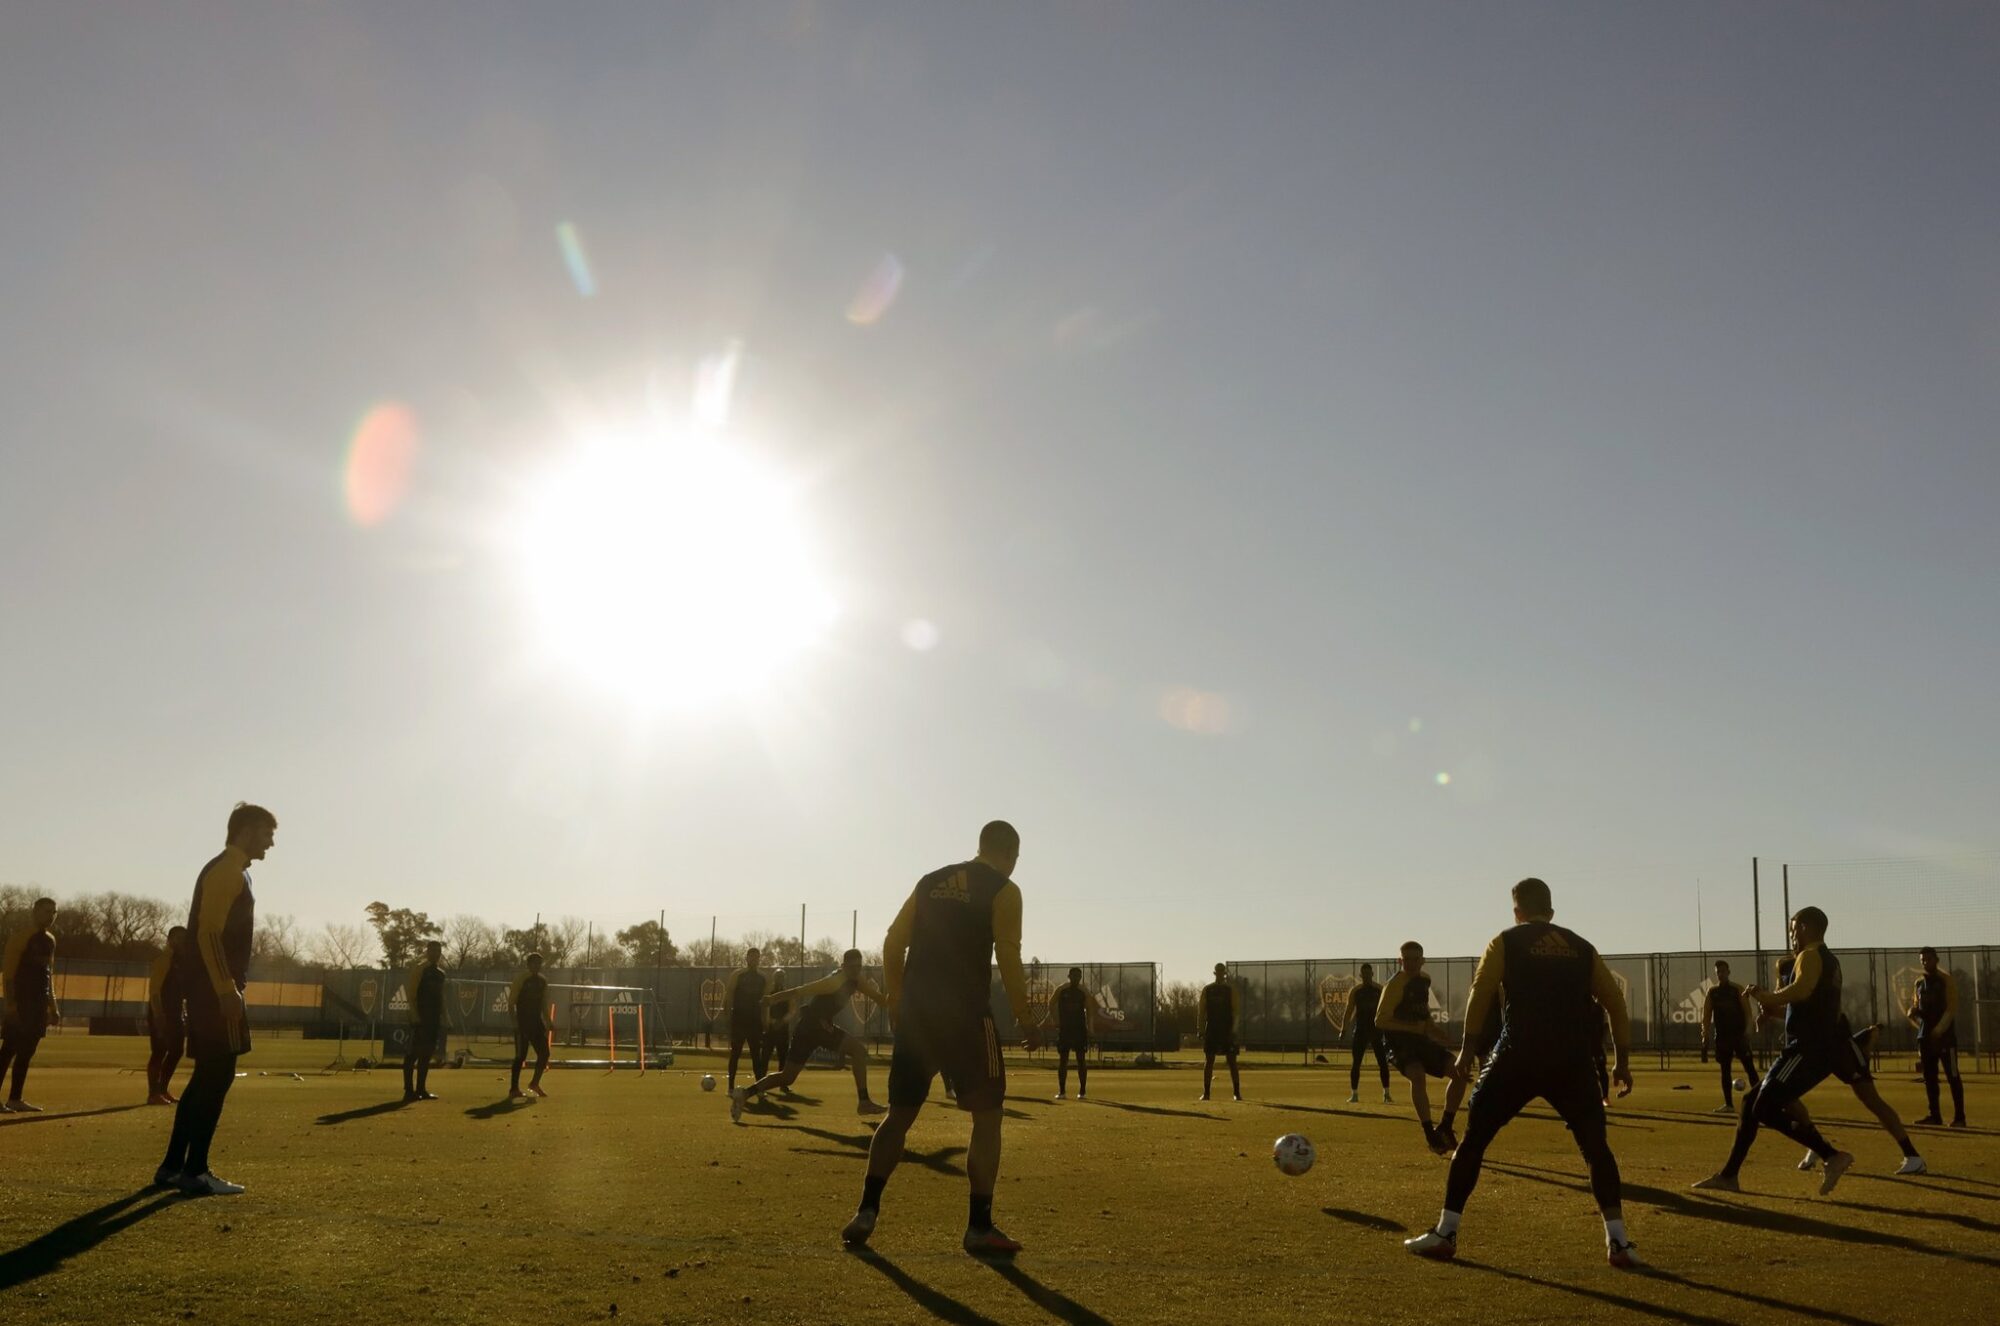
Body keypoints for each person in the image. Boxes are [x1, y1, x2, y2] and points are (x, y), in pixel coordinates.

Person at [1404, 878, 1638, 1267]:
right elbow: (1615, 1002)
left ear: (1517, 912)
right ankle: (1619, 1242)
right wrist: (1623, 1060)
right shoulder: (1582, 947)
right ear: (1552, 910)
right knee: (1597, 1149)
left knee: (1474, 1141)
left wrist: (1465, 1050)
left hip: (1517, 1056)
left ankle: (1445, 1233)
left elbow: (1480, 993)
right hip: (1572, 1062)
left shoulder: (1506, 941)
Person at [841, 820, 1039, 1256]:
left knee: (899, 1115)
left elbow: (893, 943)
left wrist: (896, 1000)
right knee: (988, 1118)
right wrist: (1025, 1016)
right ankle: (979, 1227)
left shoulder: (930, 882)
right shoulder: (1005, 889)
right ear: (1010, 852)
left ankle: (867, 1210)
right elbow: (1008, 953)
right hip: (967, 1016)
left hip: (916, 1015)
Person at [155, 802, 275, 1196]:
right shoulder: (226, 871)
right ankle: (196, 1171)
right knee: (217, 1076)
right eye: (266, 833)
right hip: (215, 990)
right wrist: (227, 989)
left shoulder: (230, 870)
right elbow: (208, 934)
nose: (271, 842)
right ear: (244, 831)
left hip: (210, 988)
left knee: (206, 1077)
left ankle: (174, 1167)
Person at [1693, 907, 1855, 1194]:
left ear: (1805, 927)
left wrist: (1764, 995)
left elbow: (1800, 991)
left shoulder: (1810, 955)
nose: (1791, 936)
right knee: (1749, 1103)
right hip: (1815, 1048)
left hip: (1807, 1049)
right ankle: (1729, 1176)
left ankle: (1831, 1154)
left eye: (1793, 929)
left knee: (1764, 1107)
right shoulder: (1831, 961)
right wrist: (1774, 1011)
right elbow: (1811, 1005)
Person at [732, 949, 888, 1120]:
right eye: (852, 967)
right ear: (843, 966)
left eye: (859, 966)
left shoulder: (857, 979)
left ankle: (744, 1093)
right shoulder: (834, 981)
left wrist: (897, 1001)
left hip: (816, 1027)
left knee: (788, 1077)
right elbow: (800, 991)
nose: (856, 970)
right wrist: (773, 999)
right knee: (857, 1052)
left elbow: (878, 998)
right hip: (812, 1027)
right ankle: (864, 1102)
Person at [1794, 1017, 1926, 1176]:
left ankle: (1912, 1155)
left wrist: (1767, 1000)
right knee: (1786, 1094)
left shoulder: (1813, 993)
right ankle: (1816, 1144)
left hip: (1840, 1048)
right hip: (1815, 1048)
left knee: (1871, 1100)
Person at [1375, 941, 1470, 1156]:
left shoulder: (1424, 981)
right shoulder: (1395, 985)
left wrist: (1443, 1036)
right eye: (1405, 959)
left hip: (1419, 1039)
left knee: (1459, 1073)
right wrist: (1411, 1027)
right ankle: (1430, 1135)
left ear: (1423, 960)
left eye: (1415, 959)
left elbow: (1424, 1019)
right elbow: (1380, 1021)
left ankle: (1445, 1126)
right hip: (1398, 1041)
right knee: (1417, 1076)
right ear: (1400, 961)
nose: (1410, 963)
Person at [0, 897, 61, 1113]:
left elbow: (48, 975)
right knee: (8, 1050)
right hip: (21, 1003)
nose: (51, 916)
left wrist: (53, 1006)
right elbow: (8, 976)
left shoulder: (50, 940)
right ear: (34, 912)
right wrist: (11, 1006)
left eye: (54, 912)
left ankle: (15, 1098)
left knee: (27, 1051)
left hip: (38, 1006)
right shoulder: (20, 938)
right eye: (46, 911)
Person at [1909, 947, 1967, 1128]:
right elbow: (1916, 1006)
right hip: (1925, 1038)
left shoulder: (1946, 980)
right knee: (1930, 1078)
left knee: (1953, 1076)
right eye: (1923, 960)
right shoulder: (1919, 983)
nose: (1926, 963)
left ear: (1937, 960)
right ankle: (1934, 1116)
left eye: (1928, 959)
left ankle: (1960, 1118)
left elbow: (1951, 1008)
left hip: (1945, 1038)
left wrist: (1939, 1030)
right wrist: (1913, 1012)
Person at [1700, 960, 1758, 1114]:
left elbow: (1747, 1012)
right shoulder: (1712, 992)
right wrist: (1705, 1033)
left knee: (1750, 1069)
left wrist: (1748, 1030)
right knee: (1725, 1071)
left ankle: (1761, 1102)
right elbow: (1706, 1015)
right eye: (1718, 972)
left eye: (1723, 971)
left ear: (1728, 972)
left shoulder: (1736, 989)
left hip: (1739, 1037)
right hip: (1722, 1038)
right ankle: (1729, 1105)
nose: (1721, 974)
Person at [146, 926, 190, 1105]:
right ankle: (153, 1093)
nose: (180, 941)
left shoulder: (183, 961)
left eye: (183, 938)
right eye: (177, 938)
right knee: (159, 1052)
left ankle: (163, 1089)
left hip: (176, 1013)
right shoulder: (164, 959)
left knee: (177, 1050)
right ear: (169, 939)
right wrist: (158, 1014)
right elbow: (154, 990)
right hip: (162, 1012)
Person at [1045, 967, 1104, 1100]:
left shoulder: (1084, 992)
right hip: (1065, 1030)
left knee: (1081, 1060)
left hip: (1079, 1030)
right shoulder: (1061, 990)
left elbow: (1089, 1010)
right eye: (1074, 976)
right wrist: (1056, 1020)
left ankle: (1082, 1092)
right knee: (1063, 1060)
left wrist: (1091, 1028)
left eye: (1079, 976)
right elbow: (1050, 1004)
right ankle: (1062, 1091)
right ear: (1069, 976)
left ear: (1080, 978)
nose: (1076, 979)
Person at [722, 947, 771, 1093]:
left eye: (757, 957)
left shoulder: (764, 978)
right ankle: (730, 1086)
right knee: (735, 1053)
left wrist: (765, 1020)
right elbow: (729, 996)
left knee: (756, 1055)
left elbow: (765, 1002)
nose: (754, 960)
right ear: (747, 958)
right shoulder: (738, 974)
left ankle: (760, 1087)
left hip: (755, 1021)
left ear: (759, 959)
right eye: (751, 957)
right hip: (739, 1019)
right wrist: (728, 1017)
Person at [402, 940, 445, 1102]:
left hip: (433, 1021)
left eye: (438, 951)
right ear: (427, 952)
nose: (436, 954)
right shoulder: (420, 969)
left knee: (426, 1055)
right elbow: (411, 994)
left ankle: (421, 1090)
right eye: (432, 951)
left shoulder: (441, 973)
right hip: (420, 1019)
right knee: (413, 1055)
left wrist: (444, 1017)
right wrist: (414, 1016)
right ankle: (408, 1090)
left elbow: (441, 997)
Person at [1346, 963, 1391, 1105]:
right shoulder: (1356, 991)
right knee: (1356, 1063)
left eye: (1368, 973)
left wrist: (1388, 1026)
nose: (1366, 976)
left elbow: (1387, 1008)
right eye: (1363, 974)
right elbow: (1349, 1010)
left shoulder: (1380, 989)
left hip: (1376, 1030)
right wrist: (1343, 1029)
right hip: (1360, 1031)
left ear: (1372, 974)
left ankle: (1386, 1093)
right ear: (1361, 975)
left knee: (1383, 1063)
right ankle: (1354, 1094)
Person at [1198, 962, 1242, 1102]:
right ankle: (1206, 1093)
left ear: (1224, 974)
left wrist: (1234, 1030)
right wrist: (1200, 1029)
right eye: (1217, 972)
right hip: (1212, 1028)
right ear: (1214, 973)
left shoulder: (1230, 990)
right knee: (1209, 1060)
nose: (1220, 975)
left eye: (1222, 972)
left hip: (1227, 1029)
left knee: (1232, 1061)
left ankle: (1236, 1093)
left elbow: (1236, 1012)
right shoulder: (1207, 989)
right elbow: (1201, 1011)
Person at [508, 953, 551, 1099]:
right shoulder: (521, 979)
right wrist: (515, 1022)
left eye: (539, 963)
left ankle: (534, 1083)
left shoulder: (542, 981)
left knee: (544, 1053)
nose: (536, 966)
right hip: (522, 1023)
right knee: (520, 1056)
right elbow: (511, 1003)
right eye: (534, 963)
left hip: (536, 1024)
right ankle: (514, 1089)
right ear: (528, 964)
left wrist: (548, 1021)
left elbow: (544, 1004)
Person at [760, 968, 791, 1090]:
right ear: (774, 978)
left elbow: (792, 1010)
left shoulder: (788, 993)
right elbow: (764, 1010)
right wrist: (771, 1022)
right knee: (765, 1057)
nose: (780, 979)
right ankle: (761, 1084)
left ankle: (783, 1085)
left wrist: (782, 1021)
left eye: (782, 977)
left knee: (783, 1058)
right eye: (778, 977)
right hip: (770, 1030)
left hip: (783, 1030)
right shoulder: (769, 993)